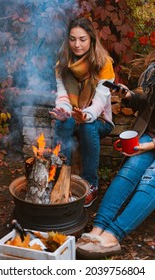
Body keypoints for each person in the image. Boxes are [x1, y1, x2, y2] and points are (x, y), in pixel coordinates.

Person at [76, 50, 155, 258]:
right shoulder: (153, 70)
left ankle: (112, 236)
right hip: (149, 135)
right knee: (129, 171)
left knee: (151, 181)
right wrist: (128, 95)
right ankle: (97, 229)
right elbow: (146, 100)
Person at [50, 17, 115, 207]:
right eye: (72, 39)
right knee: (63, 122)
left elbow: (100, 102)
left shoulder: (104, 64)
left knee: (87, 126)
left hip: (99, 119)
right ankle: (61, 177)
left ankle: (90, 184)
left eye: (82, 39)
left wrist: (85, 116)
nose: (76, 44)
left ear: (91, 40)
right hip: (74, 114)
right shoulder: (62, 64)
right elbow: (63, 96)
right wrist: (63, 110)